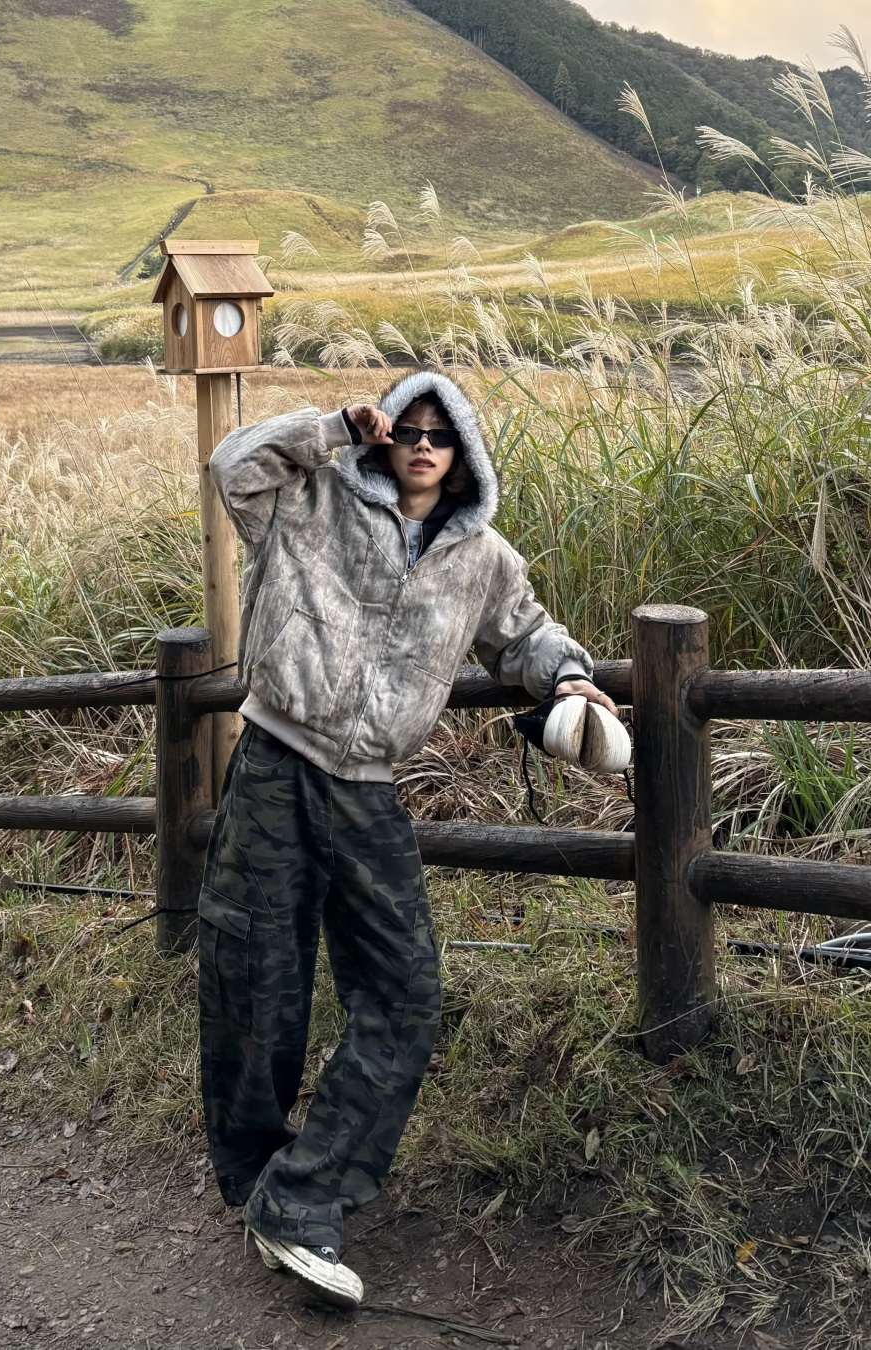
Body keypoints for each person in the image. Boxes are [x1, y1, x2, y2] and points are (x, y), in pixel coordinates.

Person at [197, 372, 620, 1308]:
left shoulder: (483, 557)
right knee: (254, 974)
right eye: (411, 427)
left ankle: (303, 1192)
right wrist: (327, 428)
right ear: (386, 434)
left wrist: (573, 679)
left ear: (464, 454)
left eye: (445, 435)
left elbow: (525, 634)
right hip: (275, 757)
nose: (425, 444)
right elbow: (232, 463)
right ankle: (257, 1181)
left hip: (368, 791)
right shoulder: (307, 497)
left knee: (406, 994)